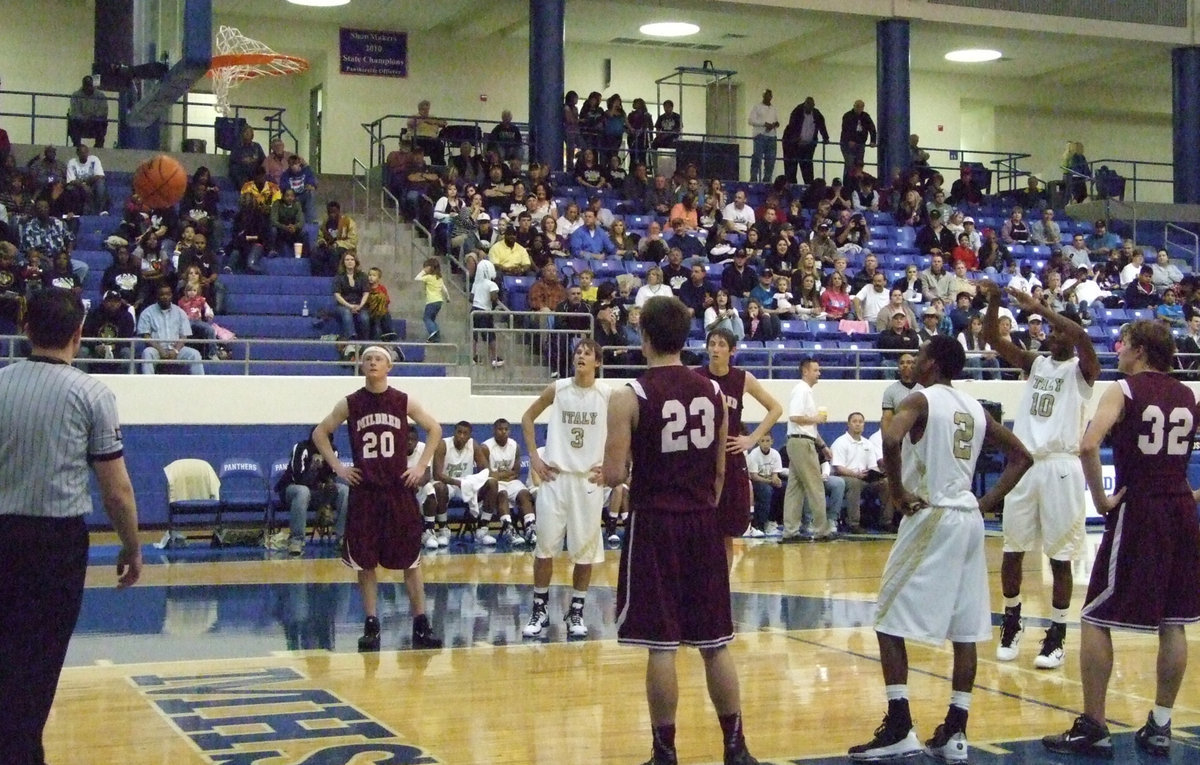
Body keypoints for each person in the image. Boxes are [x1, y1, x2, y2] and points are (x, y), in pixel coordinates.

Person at [849, 336, 1032, 763]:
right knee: (965, 630)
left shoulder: (921, 399)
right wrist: (985, 503)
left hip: (933, 515)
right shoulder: (974, 407)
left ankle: (898, 727)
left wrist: (895, 490)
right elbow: (1022, 456)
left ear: (931, 363)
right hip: (968, 520)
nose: (912, 362)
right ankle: (956, 732)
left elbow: (891, 440)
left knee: (886, 620)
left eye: (919, 356)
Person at [601, 296, 759, 765]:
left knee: (661, 644)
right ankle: (735, 746)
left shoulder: (629, 394)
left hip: (654, 523)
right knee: (715, 643)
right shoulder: (712, 391)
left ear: (644, 337)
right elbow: (718, 472)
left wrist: (614, 472)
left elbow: (613, 474)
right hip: (701, 522)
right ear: (687, 338)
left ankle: (665, 752)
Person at [1043, 321, 1200, 759]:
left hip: (1141, 508)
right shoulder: (1188, 395)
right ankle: (1161, 726)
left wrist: (1102, 499)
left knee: (1094, 615)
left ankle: (1095, 726)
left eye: (1124, 343)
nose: (1118, 349)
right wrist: (1188, 493)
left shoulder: (1123, 389)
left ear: (1142, 351)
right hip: (1181, 511)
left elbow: (1089, 444)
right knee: (1174, 621)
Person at [0, 288, 141, 764]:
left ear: (26, 329)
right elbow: (116, 488)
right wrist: (132, 546)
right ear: (79, 335)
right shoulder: (92, 393)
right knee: (38, 663)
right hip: (53, 544)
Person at [978, 281, 1100, 670]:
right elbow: (993, 341)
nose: (1049, 335)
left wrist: (1040, 306)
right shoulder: (1036, 363)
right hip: (1026, 463)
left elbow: (1080, 334)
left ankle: (1058, 633)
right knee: (1013, 550)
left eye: (1056, 330)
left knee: (1060, 558)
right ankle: (1011, 622)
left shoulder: (1083, 370)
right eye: (1048, 330)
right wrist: (995, 301)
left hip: (1061, 466)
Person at [311, 346, 444, 652]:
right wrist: (339, 467)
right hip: (366, 491)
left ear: (389, 367)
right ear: (362, 366)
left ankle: (421, 623)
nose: (372, 362)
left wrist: (421, 466)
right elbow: (320, 433)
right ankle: (371, 625)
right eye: (368, 359)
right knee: (365, 561)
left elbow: (434, 429)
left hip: (398, 490)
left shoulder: (402, 400)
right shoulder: (351, 403)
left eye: (378, 359)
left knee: (411, 560)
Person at [520, 340, 611, 639]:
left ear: (597, 362)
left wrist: (613, 466)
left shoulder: (608, 395)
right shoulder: (558, 389)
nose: (581, 357)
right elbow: (527, 417)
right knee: (544, 547)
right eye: (578, 353)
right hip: (555, 479)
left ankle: (576, 611)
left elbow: (629, 431)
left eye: (587, 353)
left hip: (588, 481)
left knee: (584, 552)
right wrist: (535, 458)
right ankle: (540, 609)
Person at [698, 328, 783, 561]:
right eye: (712, 344)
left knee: (725, 530)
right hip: (701, 456)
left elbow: (776, 408)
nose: (715, 349)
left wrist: (752, 439)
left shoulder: (742, 378)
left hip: (731, 455)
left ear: (732, 350)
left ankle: (721, 588)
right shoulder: (696, 376)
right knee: (699, 527)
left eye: (721, 344)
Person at [782, 357, 834, 541]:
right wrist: (816, 419)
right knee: (815, 486)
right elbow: (795, 417)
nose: (819, 373)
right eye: (816, 370)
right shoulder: (802, 390)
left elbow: (807, 427)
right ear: (805, 371)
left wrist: (822, 445)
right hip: (802, 443)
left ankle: (790, 531)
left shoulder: (804, 391)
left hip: (800, 441)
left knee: (795, 488)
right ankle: (822, 530)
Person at [277, 430, 349, 556]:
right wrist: (313, 468)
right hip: (292, 489)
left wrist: (328, 493)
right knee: (303, 491)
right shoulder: (300, 448)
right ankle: (296, 540)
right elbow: (299, 479)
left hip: (318, 490)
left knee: (344, 490)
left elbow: (331, 476)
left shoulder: (333, 451)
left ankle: (342, 538)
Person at [830, 412, 886, 534]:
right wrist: (856, 475)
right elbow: (839, 468)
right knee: (854, 483)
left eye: (860, 422)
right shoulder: (840, 443)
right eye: (854, 421)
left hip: (865, 478)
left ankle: (886, 522)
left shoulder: (868, 444)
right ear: (848, 424)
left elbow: (873, 466)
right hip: (846, 478)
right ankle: (853, 523)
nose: (858, 424)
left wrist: (877, 474)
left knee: (886, 483)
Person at [748, 89, 780, 183]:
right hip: (760, 135)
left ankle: (767, 179)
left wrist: (774, 124)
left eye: (770, 95)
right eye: (766, 95)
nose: (768, 97)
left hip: (772, 136)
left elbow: (776, 120)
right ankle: (754, 178)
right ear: (763, 96)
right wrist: (764, 124)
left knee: (770, 159)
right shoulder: (757, 107)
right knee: (757, 157)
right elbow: (750, 120)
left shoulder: (773, 108)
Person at [67, 76, 109, 148]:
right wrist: (83, 118)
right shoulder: (76, 95)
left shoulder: (100, 95)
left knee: (102, 122)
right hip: (81, 122)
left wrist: (93, 117)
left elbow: (103, 111)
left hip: (95, 122)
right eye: (86, 85)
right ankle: (77, 145)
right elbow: (74, 111)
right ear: (83, 85)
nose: (88, 87)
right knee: (73, 121)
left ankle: (98, 146)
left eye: (90, 85)